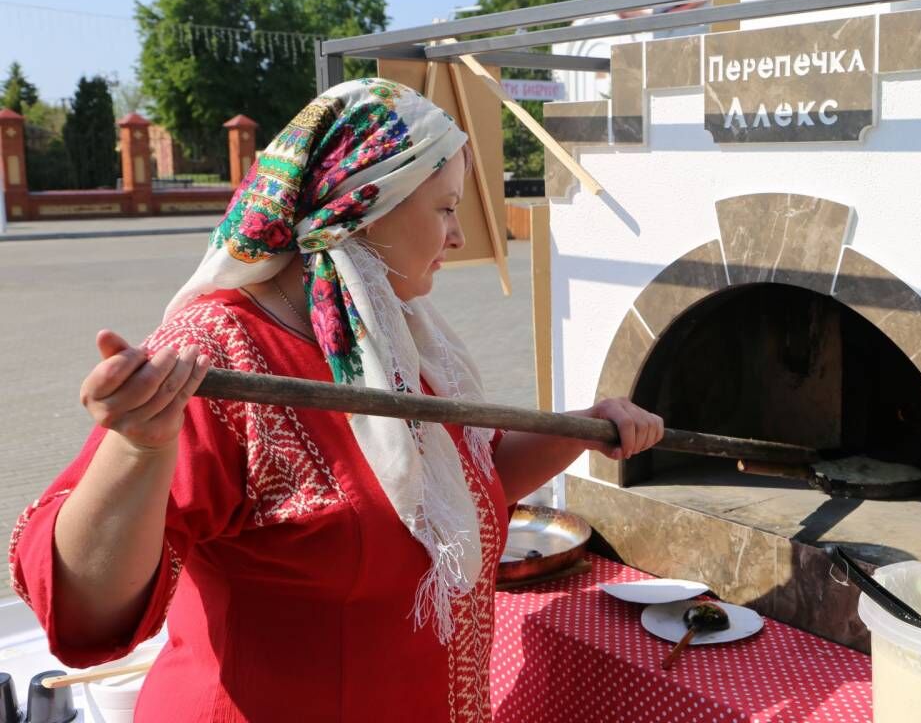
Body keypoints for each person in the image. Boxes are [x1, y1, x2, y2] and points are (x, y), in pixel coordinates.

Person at [9, 78, 664, 722]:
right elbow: (82, 609)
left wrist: (586, 428)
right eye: (444, 208)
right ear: (362, 205)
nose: (458, 236)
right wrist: (138, 448)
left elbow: (460, 484)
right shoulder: (218, 358)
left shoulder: (388, 340)